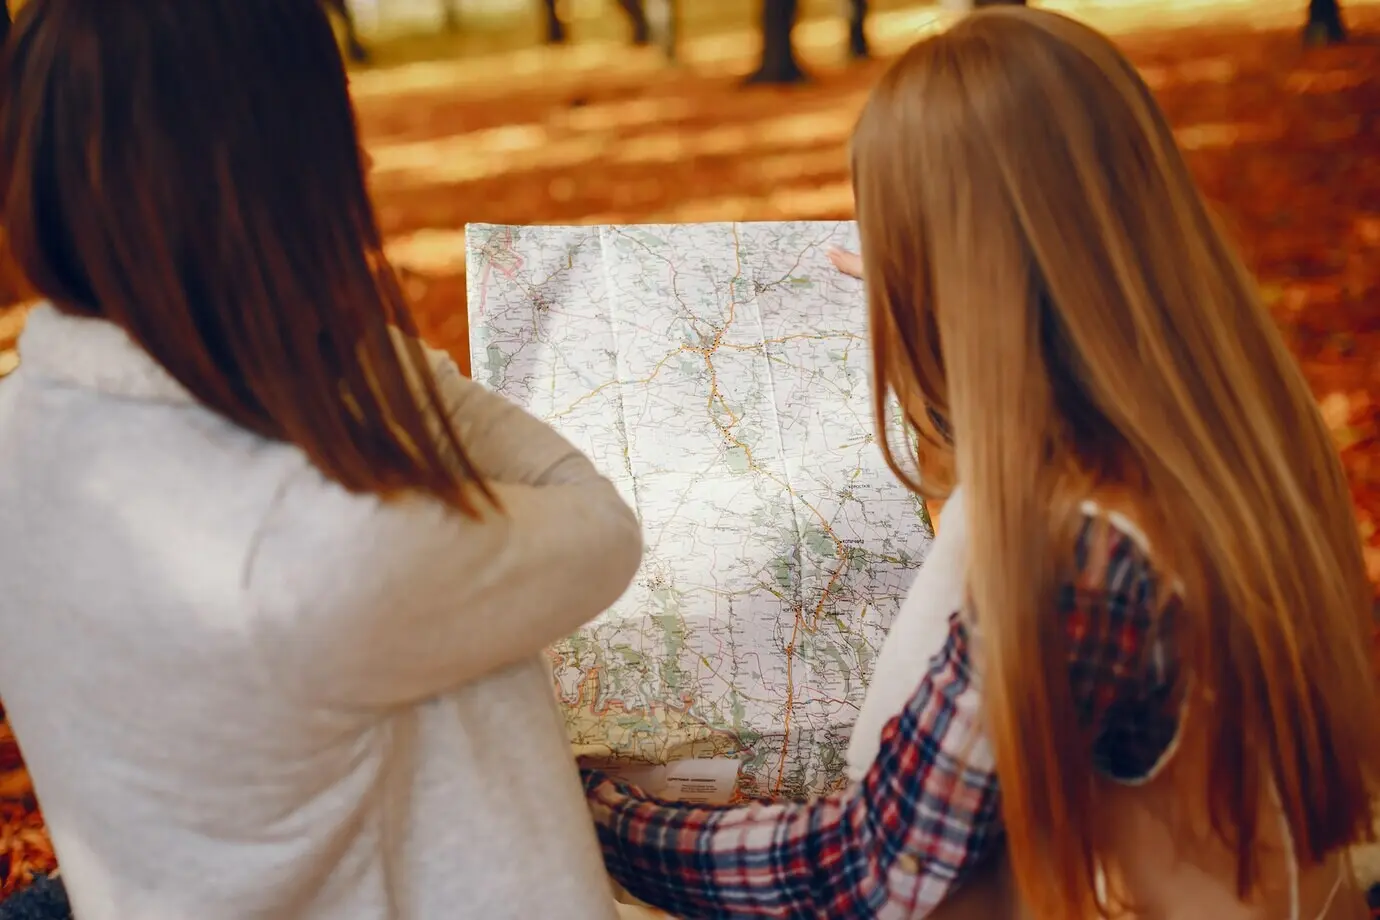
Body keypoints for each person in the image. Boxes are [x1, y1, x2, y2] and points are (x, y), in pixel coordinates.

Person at [580, 7, 1380, 919]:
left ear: (953, 268)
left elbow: (871, 869)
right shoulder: (1235, 426)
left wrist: (604, 821)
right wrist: (949, 353)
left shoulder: (1076, 553)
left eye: (894, 237)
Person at [0, 1, 642, 919]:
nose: (367, 162)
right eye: (335, 118)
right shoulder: (328, 539)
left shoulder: (18, 429)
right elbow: (599, 527)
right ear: (266, 170)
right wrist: (352, 345)